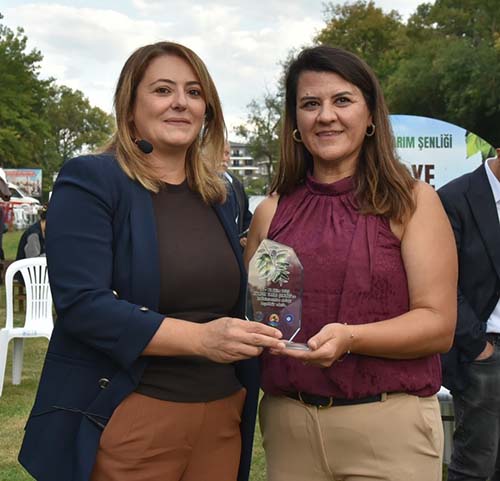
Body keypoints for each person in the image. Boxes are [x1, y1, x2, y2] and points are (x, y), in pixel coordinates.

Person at [18, 41, 284, 481]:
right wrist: (201, 339)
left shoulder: (223, 194)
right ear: (130, 107)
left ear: (207, 110)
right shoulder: (92, 179)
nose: (181, 102)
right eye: (163, 90)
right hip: (133, 414)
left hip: (223, 415)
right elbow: (82, 304)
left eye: (194, 92)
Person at [245, 46, 458, 481]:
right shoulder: (270, 212)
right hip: (289, 427)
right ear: (295, 123)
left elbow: (438, 325)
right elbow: (260, 315)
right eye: (310, 104)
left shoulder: (413, 203)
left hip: (388, 429)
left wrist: (351, 337)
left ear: (371, 116)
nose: (326, 116)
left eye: (342, 100)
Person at [438, 147, 500, 481]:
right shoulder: (455, 197)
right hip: (484, 353)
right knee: (476, 466)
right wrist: (478, 348)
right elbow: (442, 282)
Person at [221, 141, 252, 247]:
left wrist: (247, 236)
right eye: (219, 152)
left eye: (227, 153)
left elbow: (245, 216)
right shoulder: (198, 185)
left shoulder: (236, 183)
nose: (224, 158)